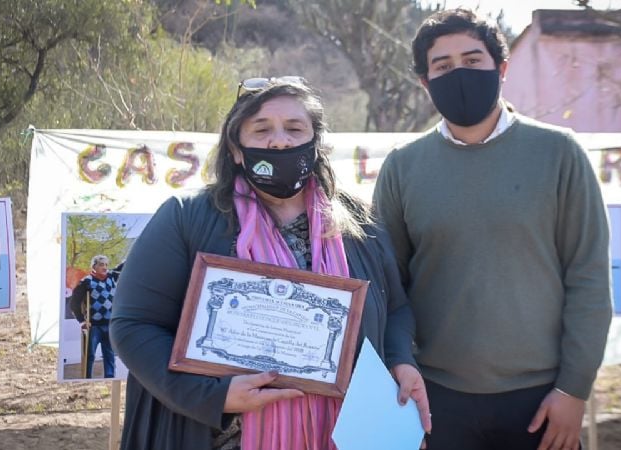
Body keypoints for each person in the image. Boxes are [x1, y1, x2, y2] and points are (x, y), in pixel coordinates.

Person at [110, 77, 431, 450]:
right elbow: (133, 325)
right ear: (235, 148)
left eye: (295, 129)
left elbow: (395, 309)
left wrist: (400, 361)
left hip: (347, 434)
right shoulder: (186, 219)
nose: (280, 141)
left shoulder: (360, 225)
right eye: (262, 130)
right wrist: (213, 396)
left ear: (316, 144)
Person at [372, 9, 612, 450]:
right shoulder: (402, 167)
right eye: (442, 66)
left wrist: (574, 390)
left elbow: (589, 278)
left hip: (540, 399)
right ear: (425, 82)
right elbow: (389, 286)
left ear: (501, 69)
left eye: (472, 59)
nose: (458, 73)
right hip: (436, 400)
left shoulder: (559, 154)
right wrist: (398, 367)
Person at [69, 255, 120, 378]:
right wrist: (81, 321)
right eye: (101, 265)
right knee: (89, 355)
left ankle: (109, 378)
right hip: (94, 325)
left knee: (109, 354)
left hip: (109, 324)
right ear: (94, 266)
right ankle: (87, 379)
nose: (105, 267)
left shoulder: (112, 277)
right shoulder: (86, 281)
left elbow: (123, 267)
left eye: (106, 265)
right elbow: (74, 304)